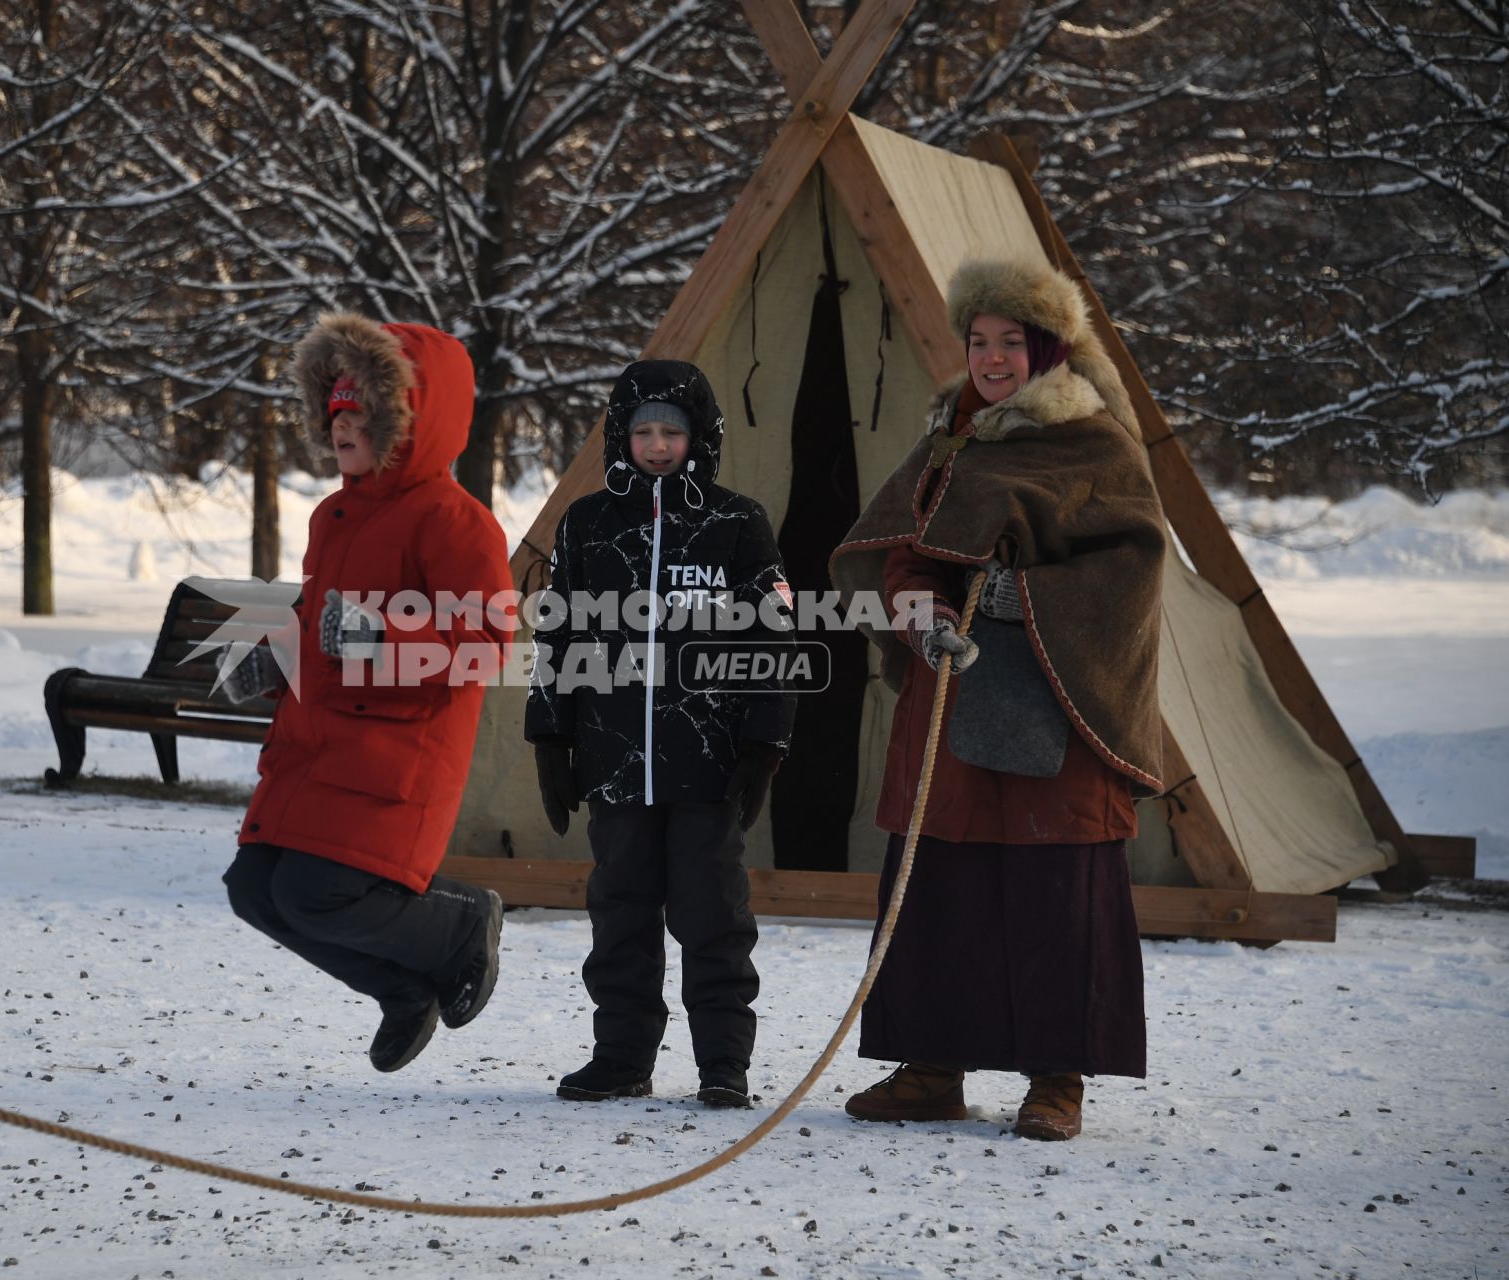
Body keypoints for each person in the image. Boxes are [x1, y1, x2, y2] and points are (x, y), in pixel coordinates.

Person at [828, 257, 1166, 1141]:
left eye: (1011, 342)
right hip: (951, 697)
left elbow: (1131, 571)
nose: (991, 358)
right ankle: (931, 1067)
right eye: (978, 341)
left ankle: (1057, 1078)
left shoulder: (1098, 444)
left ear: (1049, 348)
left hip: (1059, 704)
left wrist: (1016, 600)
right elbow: (904, 546)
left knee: (1056, 894)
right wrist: (920, 609)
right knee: (938, 885)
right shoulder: (951, 438)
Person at [221, 312, 513, 1074]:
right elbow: (319, 621)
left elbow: (484, 642)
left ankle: (458, 925)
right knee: (255, 890)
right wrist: (274, 657)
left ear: (408, 423)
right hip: (319, 749)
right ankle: (402, 991)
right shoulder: (335, 515)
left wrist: (376, 640)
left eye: (362, 413)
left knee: (319, 890)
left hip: (396, 753)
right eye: (336, 411)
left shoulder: (458, 522)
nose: (341, 425)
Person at [526, 360, 795, 1109]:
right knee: (621, 914)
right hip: (616, 763)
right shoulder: (586, 523)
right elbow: (557, 634)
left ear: (697, 438)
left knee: (713, 914)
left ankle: (722, 1063)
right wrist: (551, 737)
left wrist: (761, 745)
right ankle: (621, 1056)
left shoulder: (737, 523)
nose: (655, 445)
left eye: (670, 432)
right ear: (620, 436)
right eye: (641, 431)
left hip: (705, 765)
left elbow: (773, 637)